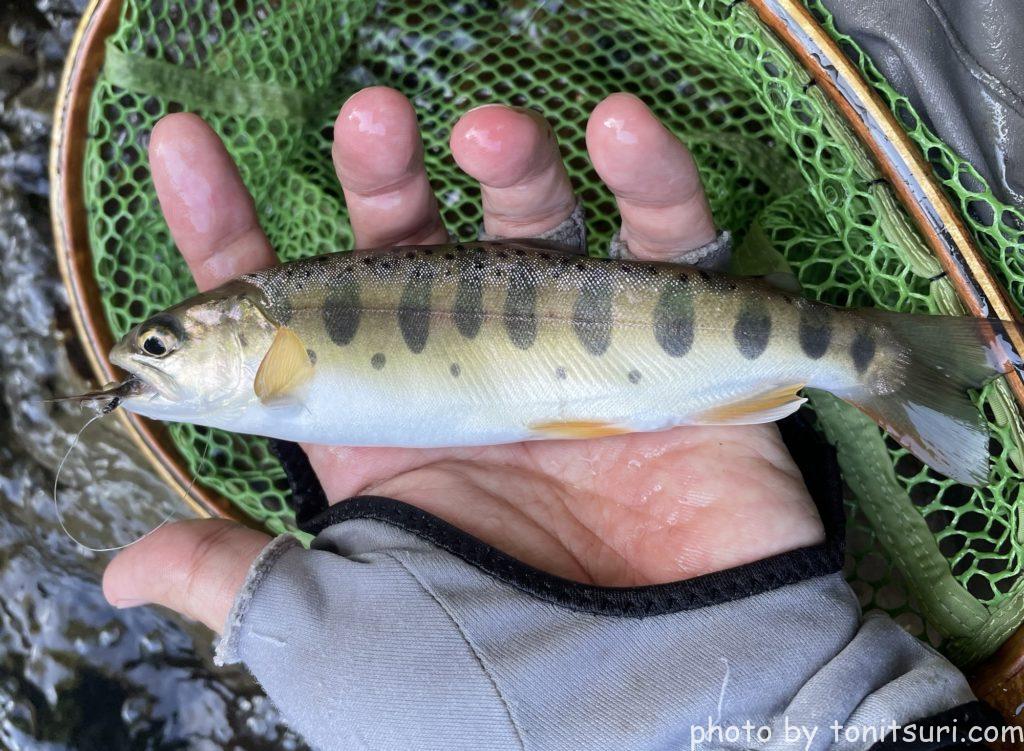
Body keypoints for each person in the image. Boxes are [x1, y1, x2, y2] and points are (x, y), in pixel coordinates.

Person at [101, 88, 999, 750]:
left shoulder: (276, 357)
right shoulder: (269, 365)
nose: (142, 359)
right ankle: (884, 350)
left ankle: (871, 352)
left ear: (246, 329)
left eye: (161, 343)